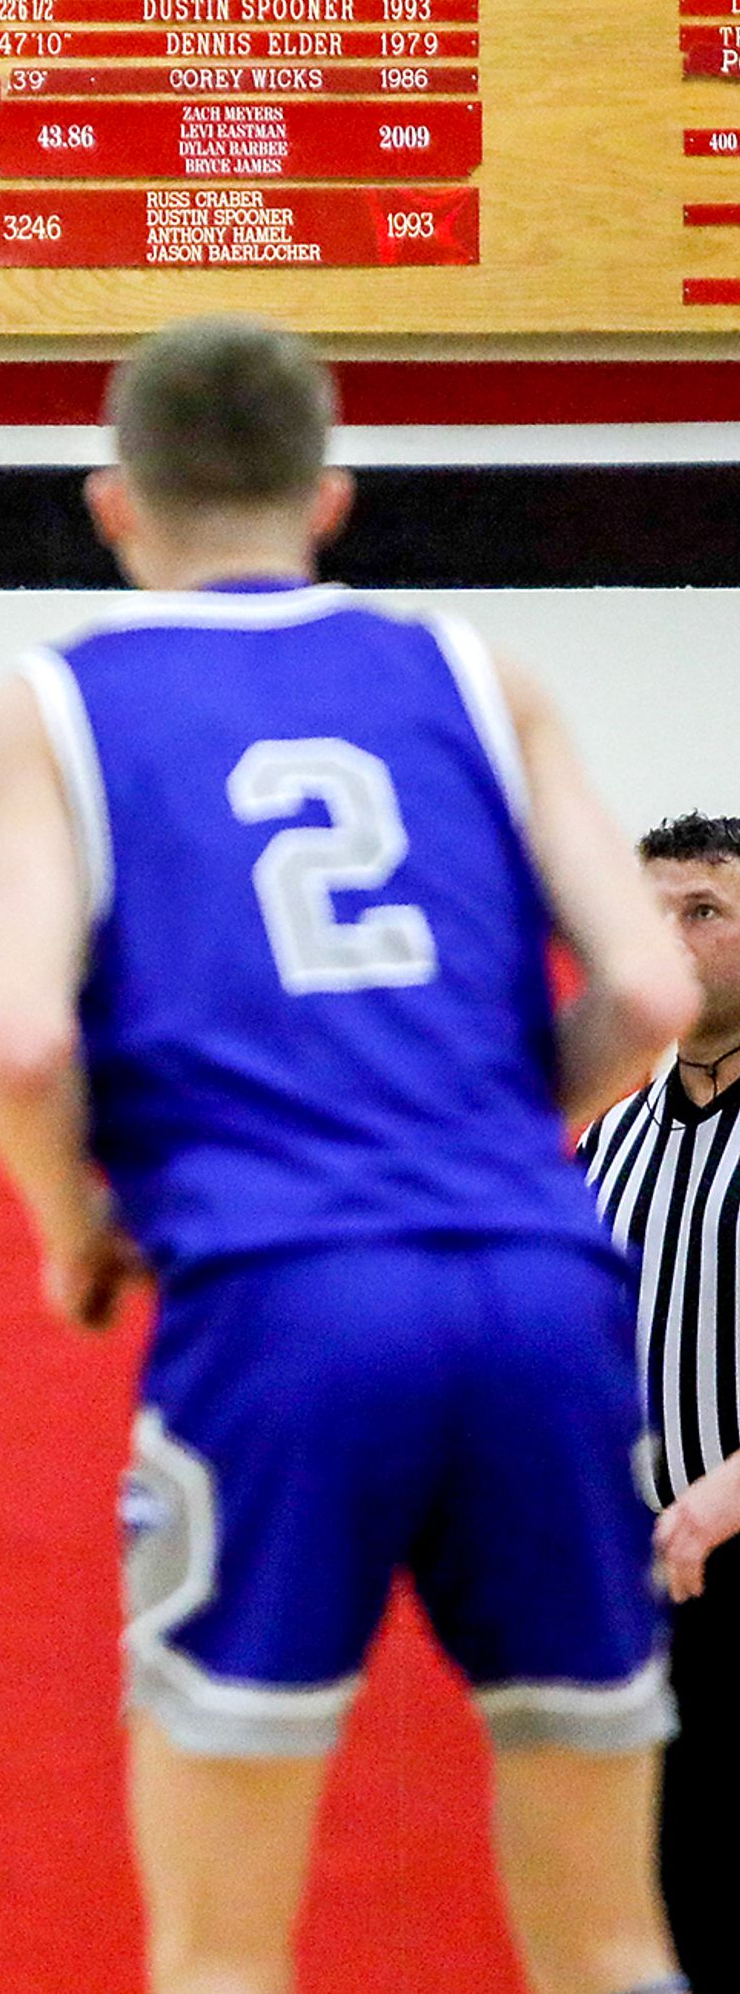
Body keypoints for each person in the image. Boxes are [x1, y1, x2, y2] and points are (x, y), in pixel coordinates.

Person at [0, 317, 694, 1994]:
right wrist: (512, 1139)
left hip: (282, 1303)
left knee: (222, 1950)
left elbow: (18, 1041)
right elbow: (652, 987)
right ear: (334, 498)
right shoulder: (475, 672)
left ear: (113, 506)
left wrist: (71, 1227)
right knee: (611, 1938)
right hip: (538, 1289)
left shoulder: (54, 704)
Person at [580, 813, 740, 1992]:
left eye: (705, 912)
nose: (669, 941)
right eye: (651, 915)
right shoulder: (613, 1134)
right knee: (659, 1912)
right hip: (645, 1595)